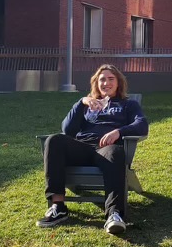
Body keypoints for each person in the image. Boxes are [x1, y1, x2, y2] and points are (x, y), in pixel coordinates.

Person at [36, 64, 148, 235]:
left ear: (119, 83)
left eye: (111, 79)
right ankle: (58, 206)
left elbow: (141, 125)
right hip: (82, 148)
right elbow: (67, 129)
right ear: (96, 83)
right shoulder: (87, 106)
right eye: (102, 79)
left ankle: (114, 214)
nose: (106, 83)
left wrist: (119, 131)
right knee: (54, 140)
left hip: (106, 149)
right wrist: (81, 103)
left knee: (115, 152)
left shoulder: (128, 105)